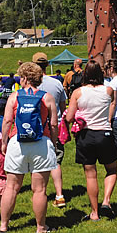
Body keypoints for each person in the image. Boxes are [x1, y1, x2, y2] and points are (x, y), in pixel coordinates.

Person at [0, 62, 58, 233]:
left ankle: (4, 224)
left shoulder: (14, 97)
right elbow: (54, 124)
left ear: (24, 78)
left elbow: (7, 121)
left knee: (11, 187)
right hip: (41, 142)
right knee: (39, 189)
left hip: (17, 142)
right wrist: (53, 143)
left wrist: (4, 142)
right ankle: (41, 227)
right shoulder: (47, 97)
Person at [65, 60, 117, 221]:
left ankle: (94, 212)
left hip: (85, 135)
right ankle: (106, 201)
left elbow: (69, 117)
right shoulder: (109, 90)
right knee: (111, 169)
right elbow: (112, 106)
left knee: (90, 175)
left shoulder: (78, 92)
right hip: (104, 133)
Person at [33, 52, 67, 208]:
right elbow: (62, 108)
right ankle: (59, 194)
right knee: (55, 161)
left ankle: (40, 193)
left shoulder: (31, 84)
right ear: (47, 65)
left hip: (34, 128)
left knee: (36, 163)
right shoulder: (57, 83)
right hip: (55, 126)